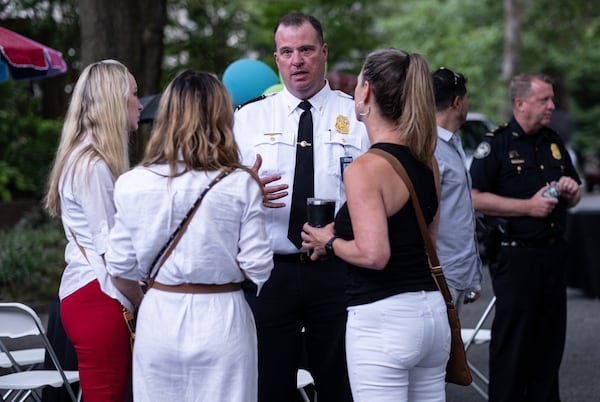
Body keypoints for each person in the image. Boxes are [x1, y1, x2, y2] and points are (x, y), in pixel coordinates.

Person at [105, 70, 273, 402]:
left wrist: (148, 298)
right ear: (222, 116)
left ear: (166, 116)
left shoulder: (132, 182)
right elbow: (259, 267)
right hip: (223, 317)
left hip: (159, 316)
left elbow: (120, 267)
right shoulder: (240, 183)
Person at [234, 12, 370, 402]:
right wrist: (247, 190)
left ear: (324, 53)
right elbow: (222, 195)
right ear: (276, 58)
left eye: (307, 50)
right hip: (270, 272)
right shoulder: (248, 118)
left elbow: (377, 191)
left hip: (338, 268)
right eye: (287, 51)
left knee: (340, 382)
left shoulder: (357, 117)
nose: (297, 60)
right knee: (269, 384)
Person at [303, 48, 450, 401]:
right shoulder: (427, 160)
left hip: (383, 320)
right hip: (431, 313)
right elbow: (429, 237)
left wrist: (329, 241)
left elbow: (375, 254)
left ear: (365, 91)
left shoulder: (366, 168)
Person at [469, 73, 581, 402]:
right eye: (544, 100)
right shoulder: (497, 144)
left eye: (551, 99)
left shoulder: (553, 141)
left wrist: (572, 192)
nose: (552, 105)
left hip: (552, 255)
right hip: (515, 257)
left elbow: (572, 191)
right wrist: (527, 208)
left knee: (549, 343)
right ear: (520, 103)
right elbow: (473, 197)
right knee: (514, 344)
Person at [44, 59, 143, 402]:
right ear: (115, 101)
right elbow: (114, 256)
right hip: (99, 296)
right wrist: (145, 302)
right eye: (134, 93)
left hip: (91, 294)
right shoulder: (93, 165)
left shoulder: (85, 159)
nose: (139, 103)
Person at [431, 67, 483, 310]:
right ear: (458, 102)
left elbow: (458, 213)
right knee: (443, 348)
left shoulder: (453, 142)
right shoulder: (429, 148)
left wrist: (471, 276)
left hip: (458, 272)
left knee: (454, 347)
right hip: (440, 276)